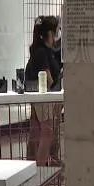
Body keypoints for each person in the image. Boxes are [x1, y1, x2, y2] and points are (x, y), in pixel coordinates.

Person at [25, 16, 63, 165]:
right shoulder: (42, 52)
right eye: (57, 30)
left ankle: (34, 166)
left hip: (41, 96)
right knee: (46, 132)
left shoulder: (44, 50)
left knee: (37, 131)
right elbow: (48, 77)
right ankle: (40, 168)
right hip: (43, 96)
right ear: (50, 33)